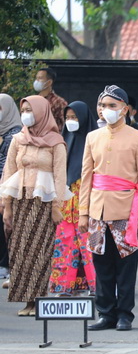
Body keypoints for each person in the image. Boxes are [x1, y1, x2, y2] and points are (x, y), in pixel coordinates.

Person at [81, 85, 138, 331]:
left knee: (125, 265)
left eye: (112, 105)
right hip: (97, 210)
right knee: (101, 263)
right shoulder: (93, 137)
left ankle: (124, 314)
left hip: (127, 211)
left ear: (124, 109)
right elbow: (86, 177)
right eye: (102, 105)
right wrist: (83, 212)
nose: (106, 110)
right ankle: (106, 313)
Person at [0, 95, 68, 316]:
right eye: (24, 110)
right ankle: (26, 300)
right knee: (20, 250)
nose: (27, 115)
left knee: (40, 250)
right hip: (20, 200)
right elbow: (9, 172)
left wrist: (57, 205)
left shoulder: (55, 141)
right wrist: (6, 205)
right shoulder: (18, 139)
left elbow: (59, 175)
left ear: (41, 112)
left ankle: (39, 299)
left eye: (31, 110)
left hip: (44, 203)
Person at [49, 102, 98, 296]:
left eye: (75, 118)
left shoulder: (95, 141)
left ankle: (96, 286)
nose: (71, 122)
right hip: (65, 202)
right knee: (65, 242)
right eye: (68, 118)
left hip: (88, 201)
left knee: (89, 243)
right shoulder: (63, 140)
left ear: (84, 119)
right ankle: (65, 286)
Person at [0, 94, 23, 283]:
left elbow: (8, 167)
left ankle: (7, 266)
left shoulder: (15, 135)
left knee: (8, 228)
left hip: (8, 188)